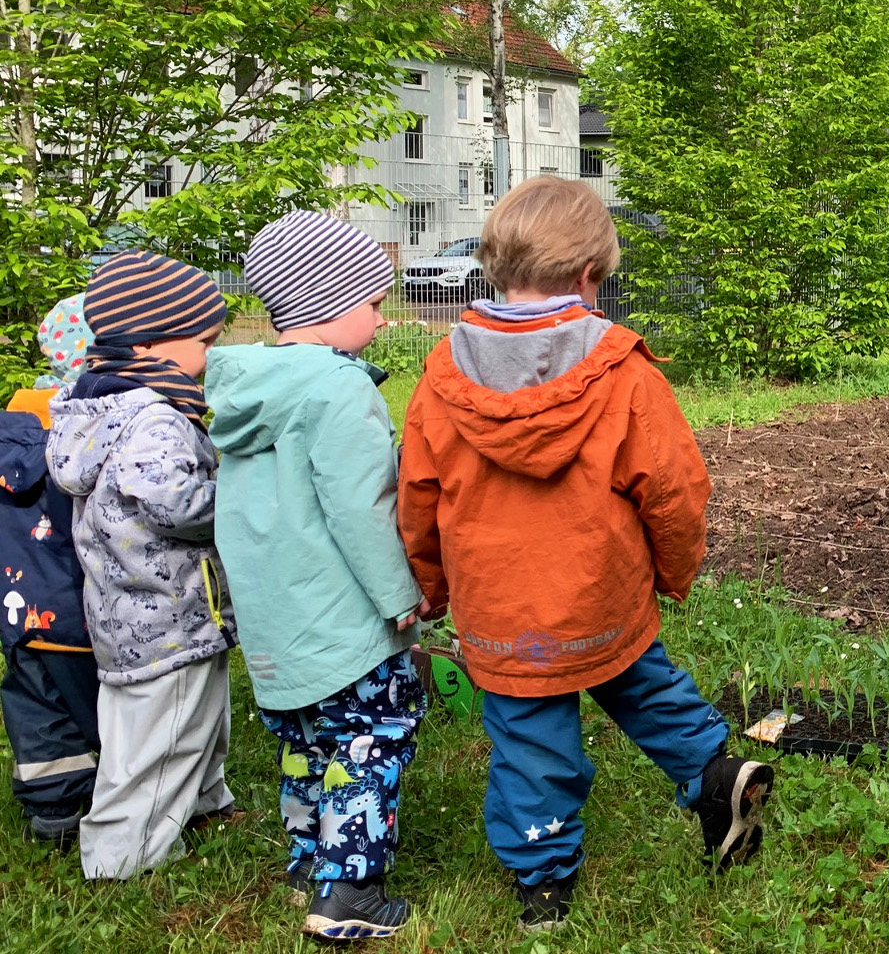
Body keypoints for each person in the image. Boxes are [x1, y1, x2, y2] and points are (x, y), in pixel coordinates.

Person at [397, 177, 774, 932]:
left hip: (504, 614)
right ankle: (713, 772)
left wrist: (430, 587)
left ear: (495, 268)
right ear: (589, 277)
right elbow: (673, 490)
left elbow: (418, 495)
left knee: (532, 745)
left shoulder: (442, 379)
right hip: (604, 595)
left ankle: (543, 885)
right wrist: (673, 571)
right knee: (641, 682)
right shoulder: (624, 372)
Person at [206, 210, 430, 941]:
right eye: (373, 304)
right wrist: (401, 596)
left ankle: (308, 859)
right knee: (370, 736)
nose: (382, 320)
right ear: (331, 305)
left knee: (306, 741)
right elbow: (362, 508)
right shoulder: (338, 390)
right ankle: (350, 892)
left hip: (276, 622)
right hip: (344, 622)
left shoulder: (243, 390)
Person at [47, 252, 238, 879]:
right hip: (168, 616)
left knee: (190, 723)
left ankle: (206, 804)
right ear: (152, 343)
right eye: (204, 341)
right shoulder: (153, 416)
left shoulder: (95, 408)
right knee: (162, 742)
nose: (210, 355)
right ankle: (117, 859)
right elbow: (175, 504)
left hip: (128, 612)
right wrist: (237, 494)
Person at [0, 296, 100, 846]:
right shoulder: (86, 433)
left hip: (18, 607)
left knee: (34, 701)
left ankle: (52, 811)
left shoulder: (12, 426)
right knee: (97, 705)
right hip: (80, 604)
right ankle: (109, 791)